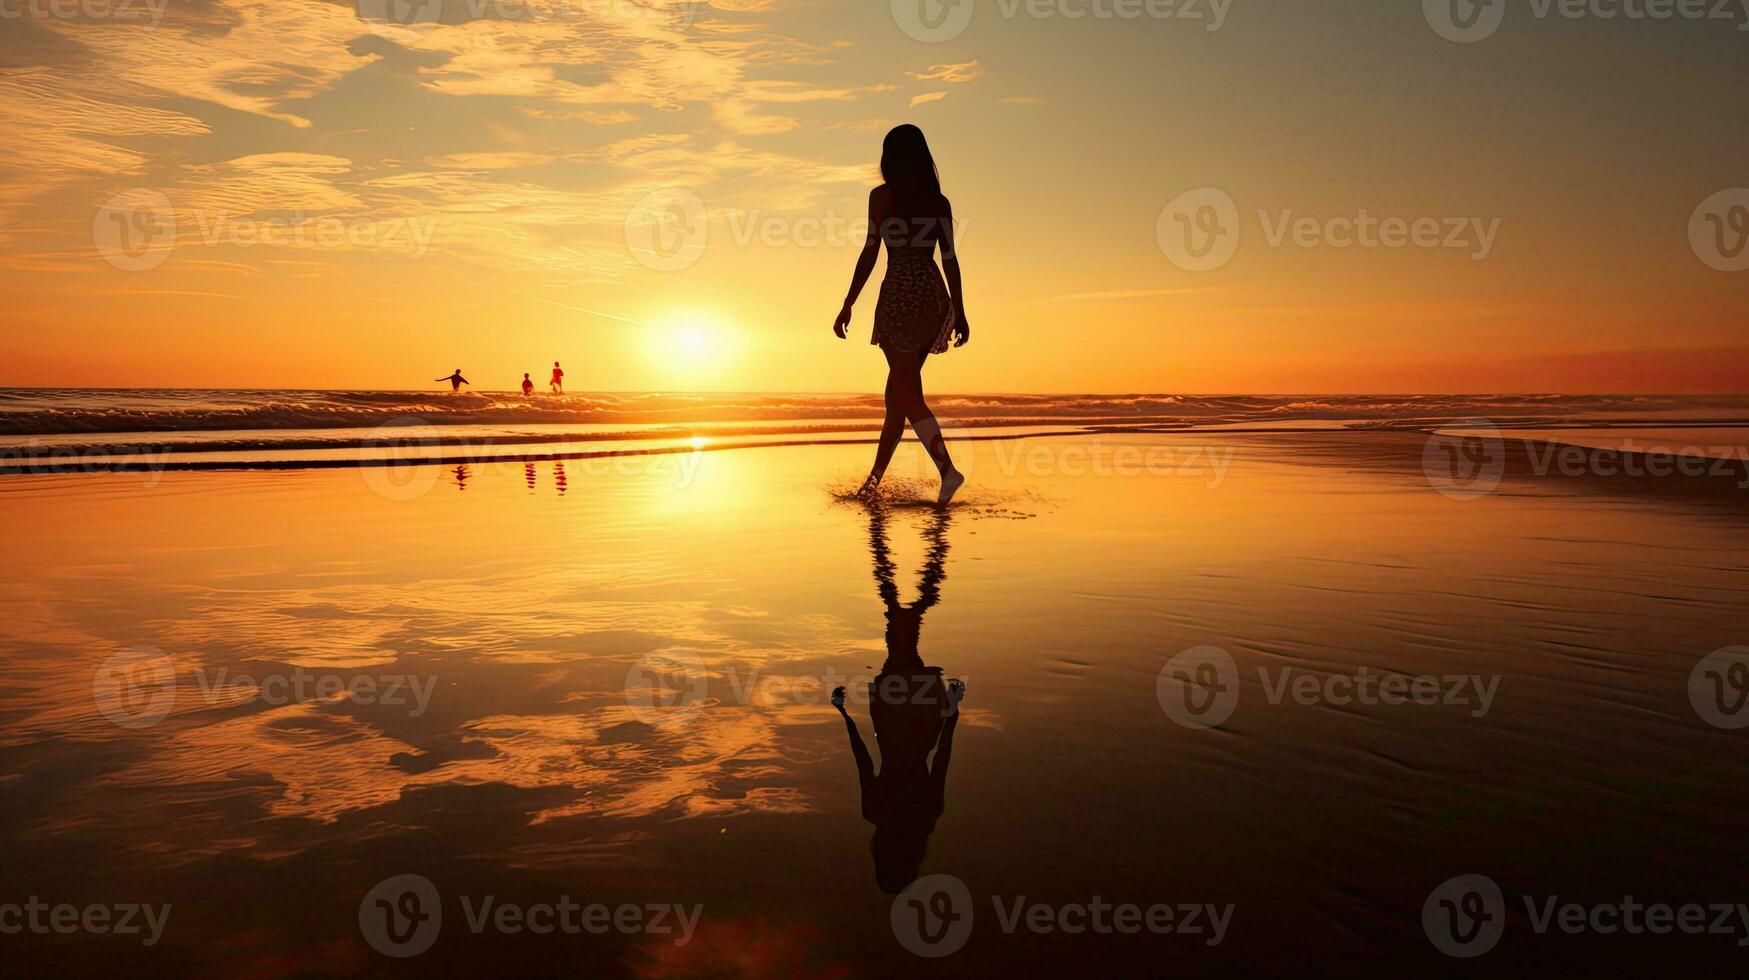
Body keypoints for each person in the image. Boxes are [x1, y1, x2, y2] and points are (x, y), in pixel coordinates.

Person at [833, 124, 970, 506]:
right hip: (930, 296)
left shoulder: (883, 197)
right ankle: (873, 483)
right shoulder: (939, 203)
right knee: (898, 395)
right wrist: (958, 311)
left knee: (906, 394)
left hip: (899, 296)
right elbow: (950, 261)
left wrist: (849, 302)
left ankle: (947, 470)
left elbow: (871, 251)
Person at [832, 506, 964, 894]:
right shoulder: (876, 812)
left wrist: (952, 712)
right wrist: (845, 714)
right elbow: (862, 758)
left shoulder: (926, 815)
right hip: (892, 722)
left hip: (920, 724)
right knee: (899, 630)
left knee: (904, 635)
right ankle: (910, 547)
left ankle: (914, 549)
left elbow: (940, 757)